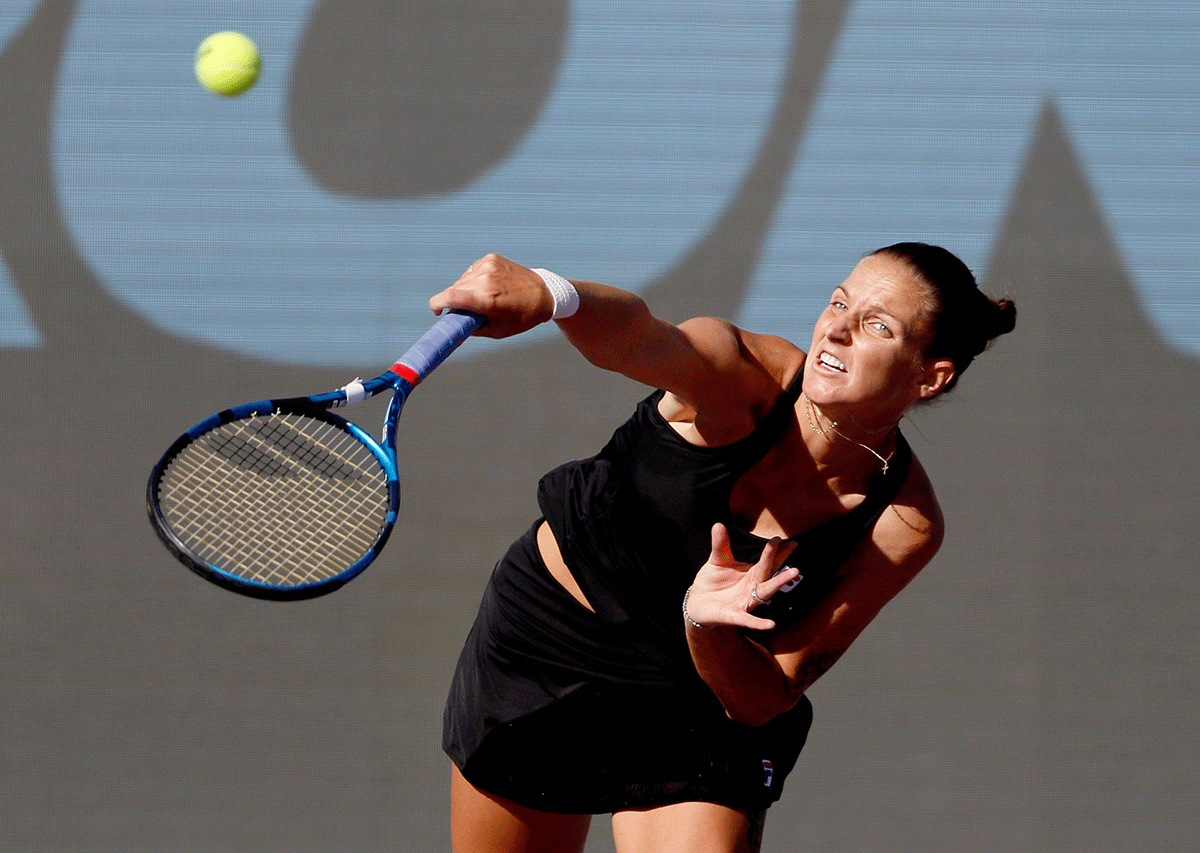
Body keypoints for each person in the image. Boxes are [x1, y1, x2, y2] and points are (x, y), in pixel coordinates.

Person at [430, 244, 1016, 853]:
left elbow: (765, 696)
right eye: (838, 303)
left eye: (875, 325)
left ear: (930, 375)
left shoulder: (903, 523)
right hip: (548, 648)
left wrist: (706, 627)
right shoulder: (744, 377)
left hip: (697, 701)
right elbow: (637, 337)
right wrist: (554, 295)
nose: (835, 329)